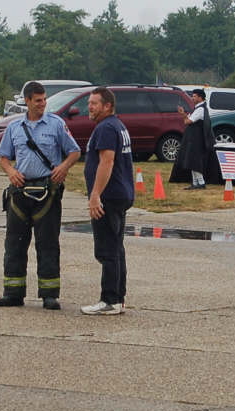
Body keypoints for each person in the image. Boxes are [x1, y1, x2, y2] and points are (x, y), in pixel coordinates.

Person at [0, 81, 81, 310]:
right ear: (28, 101)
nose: (43, 104)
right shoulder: (14, 127)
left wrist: (63, 168)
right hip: (20, 194)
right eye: (38, 100)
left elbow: (74, 151)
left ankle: (49, 294)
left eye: (44, 100)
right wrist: (11, 171)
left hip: (47, 194)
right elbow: (3, 156)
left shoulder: (56, 124)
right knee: (14, 244)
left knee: (48, 244)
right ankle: (13, 293)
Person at [80, 87, 134, 315]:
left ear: (107, 106)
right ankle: (117, 298)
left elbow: (107, 162)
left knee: (108, 249)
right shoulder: (117, 126)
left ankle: (110, 299)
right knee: (116, 247)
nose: (89, 107)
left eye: (94, 103)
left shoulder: (107, 128)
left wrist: (95, 195)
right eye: (89, 103)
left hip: (109, 197)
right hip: (119, 194)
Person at [174, 89, 215, 190]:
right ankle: (195, 183)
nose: (192, 98)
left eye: (194, 96)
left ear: (200, 98)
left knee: (195, 161)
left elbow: (188, 121)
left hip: (197, 139)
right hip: (194, 138)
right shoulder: (198, 108)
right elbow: (188, 119)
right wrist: (183, 113)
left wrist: (183, 114)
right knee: (192, 160)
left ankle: (201, 182)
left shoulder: (200, 109)